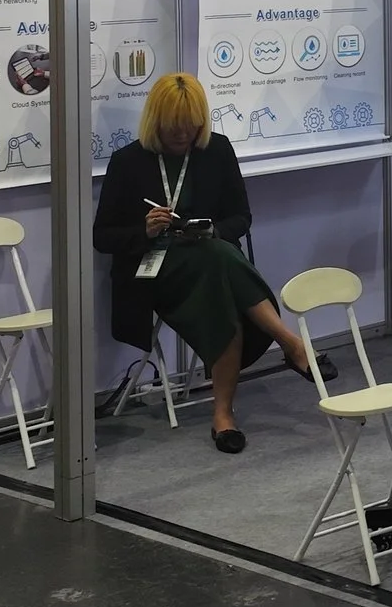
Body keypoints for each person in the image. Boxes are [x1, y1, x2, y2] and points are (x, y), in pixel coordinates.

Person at [93, 73, 328, 454]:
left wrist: (213, 230)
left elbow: (241, 217)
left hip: (209, 268)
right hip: (155, 272)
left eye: (191, 124)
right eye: (174, 125)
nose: (183, 133)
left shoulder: (216, 150)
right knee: (219, 260)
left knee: (218, 277)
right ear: (156, 121)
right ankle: (290, 343)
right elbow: (102, 237)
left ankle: (225, 416)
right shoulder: (128, 162)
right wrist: (144, 231)